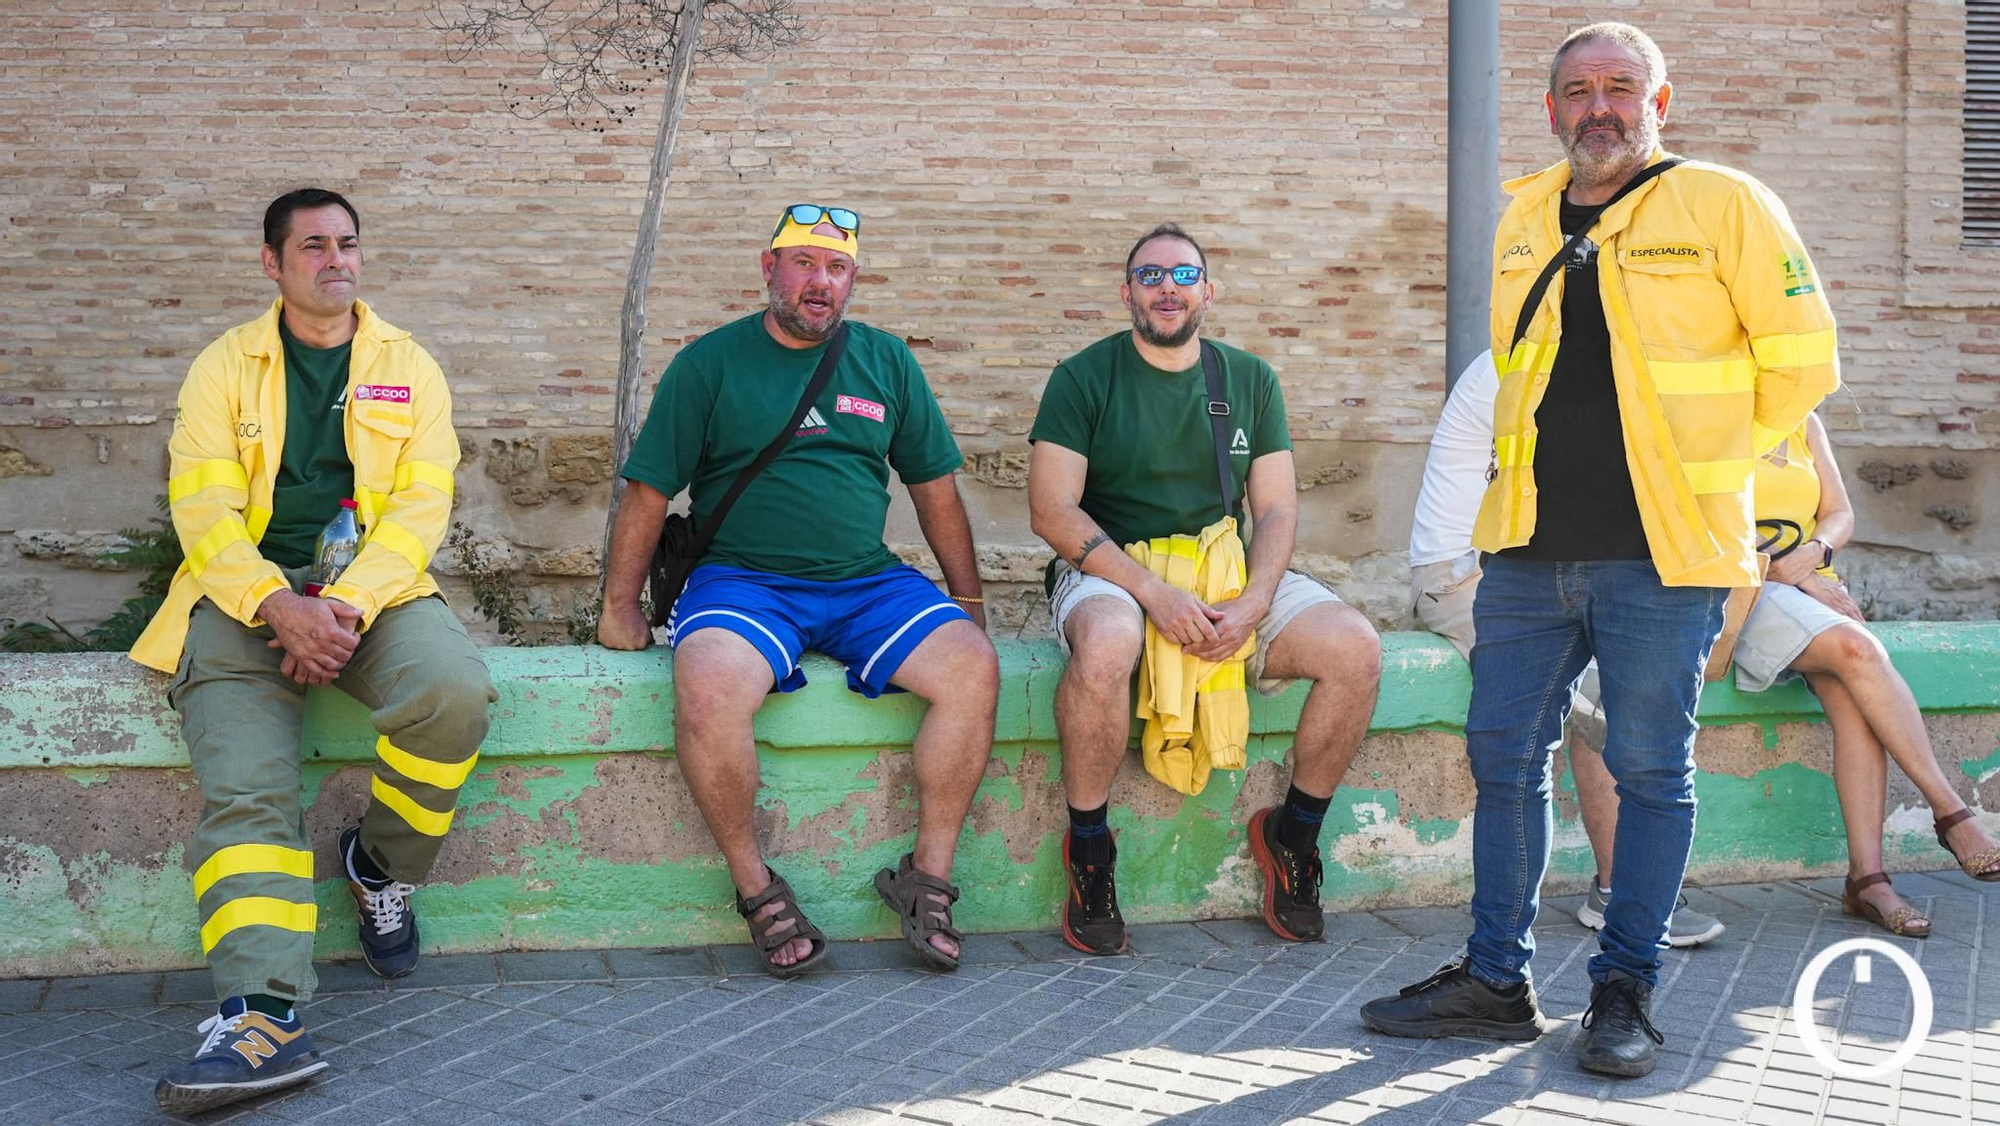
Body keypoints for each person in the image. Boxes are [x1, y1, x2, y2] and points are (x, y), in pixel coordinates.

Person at [1362, 23, 1839, 1079]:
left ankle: (1623, 989)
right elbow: (1518, 375)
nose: (1599, 107)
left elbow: (1801, 363)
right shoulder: (1525, 215)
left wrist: (1707, 469)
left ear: (1659, 101)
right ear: (1550, 111)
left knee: (1650, 770)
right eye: (1577, 90)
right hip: (1527, 549)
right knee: (1500, 759)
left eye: (1620, 88)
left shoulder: (1723, 202)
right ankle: (1494, 979)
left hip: (1663, 555)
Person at [131, 188, 496, 1114]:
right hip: (240, 593)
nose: (336, 260)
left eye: (348, 245)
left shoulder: (407, 367)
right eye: (314, 246)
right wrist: (274, 605)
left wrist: (337, 610)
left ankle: (380, 865)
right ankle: (262, 1018)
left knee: (452, 694)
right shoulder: (224, 367)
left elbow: (420, 510)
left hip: (371, 590)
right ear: (273, 263)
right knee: (245, 791)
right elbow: (202, 511)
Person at [598, 204, 999, 978]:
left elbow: (935, 490)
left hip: (865, 582)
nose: (821, 283)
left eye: (837, 268)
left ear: (854, 280)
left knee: (972, 667)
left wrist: (970, 602)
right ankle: (758, 890)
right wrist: (618, 607)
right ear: (769, 267)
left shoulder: (886, 361)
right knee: (710, 683)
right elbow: (648, 491)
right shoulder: (709, 364)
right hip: (744, 582)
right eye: (805, 264)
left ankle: (929, 879)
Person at [1027, 222, 1383, 956]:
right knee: (1108, 647)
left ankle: (1294, 838)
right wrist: (1154, 594)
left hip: (1226, 566)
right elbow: (1051, 510)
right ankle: (1091, 852)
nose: (1167, 288)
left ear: (1208, 293)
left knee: (1355, 648)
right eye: (1150, 275)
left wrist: (1254, 601)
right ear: (1126, 291)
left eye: (1184, 276)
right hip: (1113, 571)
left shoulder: (1247, 379)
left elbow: (1278, 508)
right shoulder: (1083, 377)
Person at [1410, 350, 1724, 947]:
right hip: (1459, 572)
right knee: (1596, 696)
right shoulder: (1523, 362)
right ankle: (1611, 894)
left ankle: (1621, 905)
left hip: (1538, 566)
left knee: (1621, 692)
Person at [1736, 413, 2000, 935]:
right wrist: (1785, 567)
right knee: (1858, 651)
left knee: (1849, 689)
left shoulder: (1802, 419)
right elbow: (1694, 526)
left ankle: (1867, 879)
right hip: (1743, 589)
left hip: (1810, 585)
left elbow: (1838, 514)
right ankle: (1951, 813)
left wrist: (1812, 555)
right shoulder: (1707, 405)